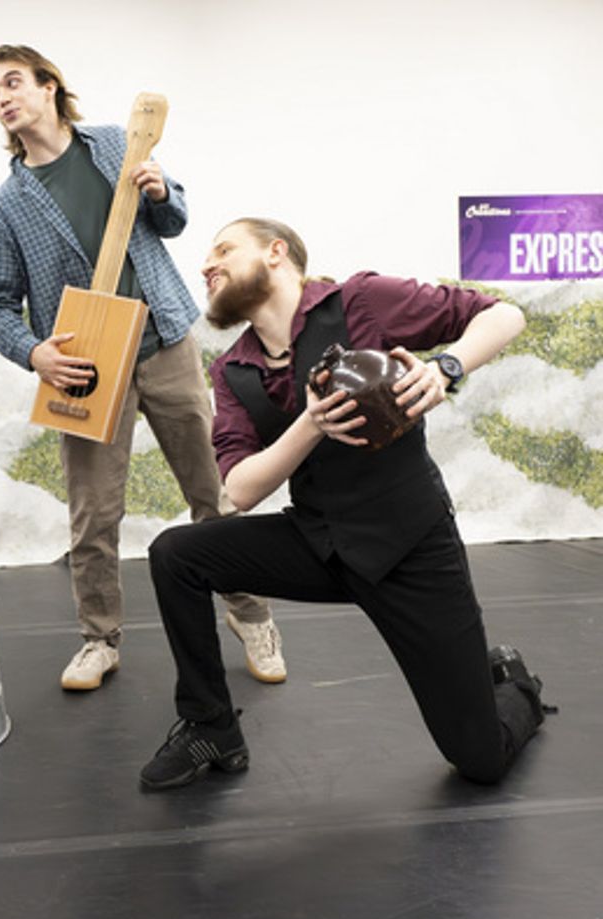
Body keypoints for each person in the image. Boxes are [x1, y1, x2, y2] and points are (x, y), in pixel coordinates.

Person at [138, 217, 550, 790]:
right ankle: (212, 727)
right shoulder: (233, 371)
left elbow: (504, 314)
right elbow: (239, 490)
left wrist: (445, 368)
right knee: (176, 554)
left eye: (224, 249)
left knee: (480, 760)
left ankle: (513, 680)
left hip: (412, 551)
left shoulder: (361, 302)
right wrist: (309, 423)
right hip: (320, 545)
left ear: (276, 253)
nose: (207, 264)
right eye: (207, 257)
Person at [0, 45, 284, 692]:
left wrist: (163, 190)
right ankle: (99, 638)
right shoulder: (7, 205)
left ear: (49, 86)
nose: (3, 98)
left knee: (214, 494)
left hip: (166, 341)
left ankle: (250, 615)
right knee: (93, 515)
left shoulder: (117, 144)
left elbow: (172, 220)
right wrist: (35, 352)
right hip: (85, 366)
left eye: (13, 83)